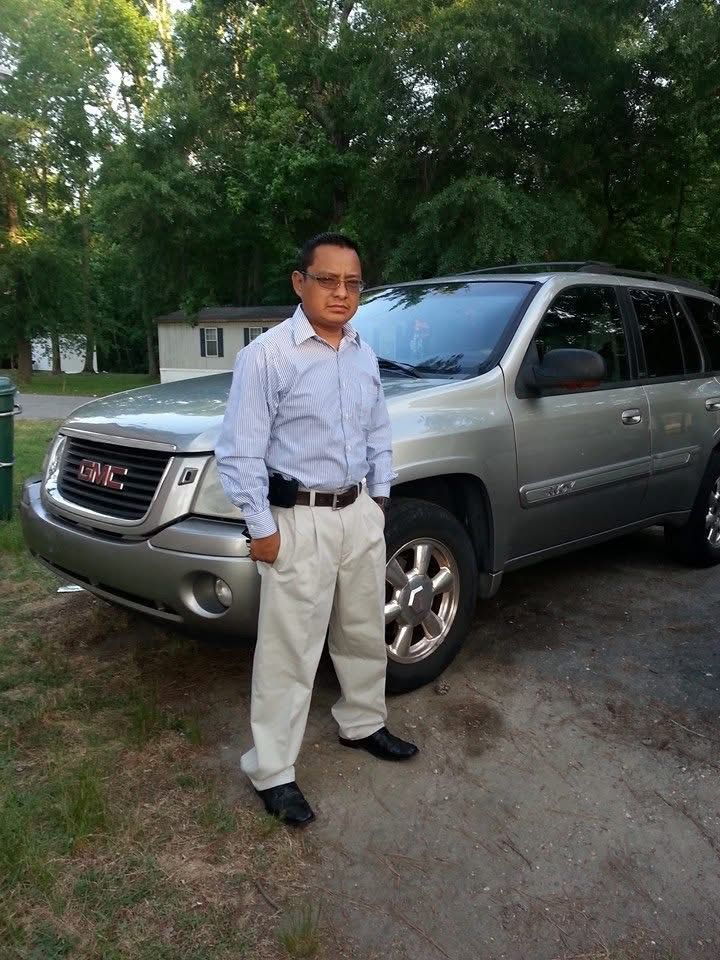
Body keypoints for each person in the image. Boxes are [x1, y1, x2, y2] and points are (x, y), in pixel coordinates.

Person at [215, 232, 418, 827]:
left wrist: (379, 499)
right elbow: (239, 452)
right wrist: (262, 528)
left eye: (352, 283)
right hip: (297, 521)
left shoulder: (361, 352)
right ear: (299, 282)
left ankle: (363, 722)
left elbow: (378, 431)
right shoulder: (268, 356)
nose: (341, 293)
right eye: (327, 279)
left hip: (358, 513)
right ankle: (272, 770)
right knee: (289, 650)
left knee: (363, 629)